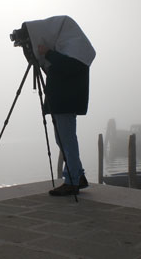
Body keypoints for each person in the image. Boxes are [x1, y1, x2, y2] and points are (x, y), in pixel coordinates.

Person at [25, 16, 96, 196]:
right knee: (63, 139)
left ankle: (72, 180)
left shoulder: (76, 50)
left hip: (65, 101)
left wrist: (48, 53)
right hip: (61, 100)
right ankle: (77, 176)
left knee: (66, 140)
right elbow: (56, 67)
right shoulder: (70, 48)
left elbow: (68, 66)